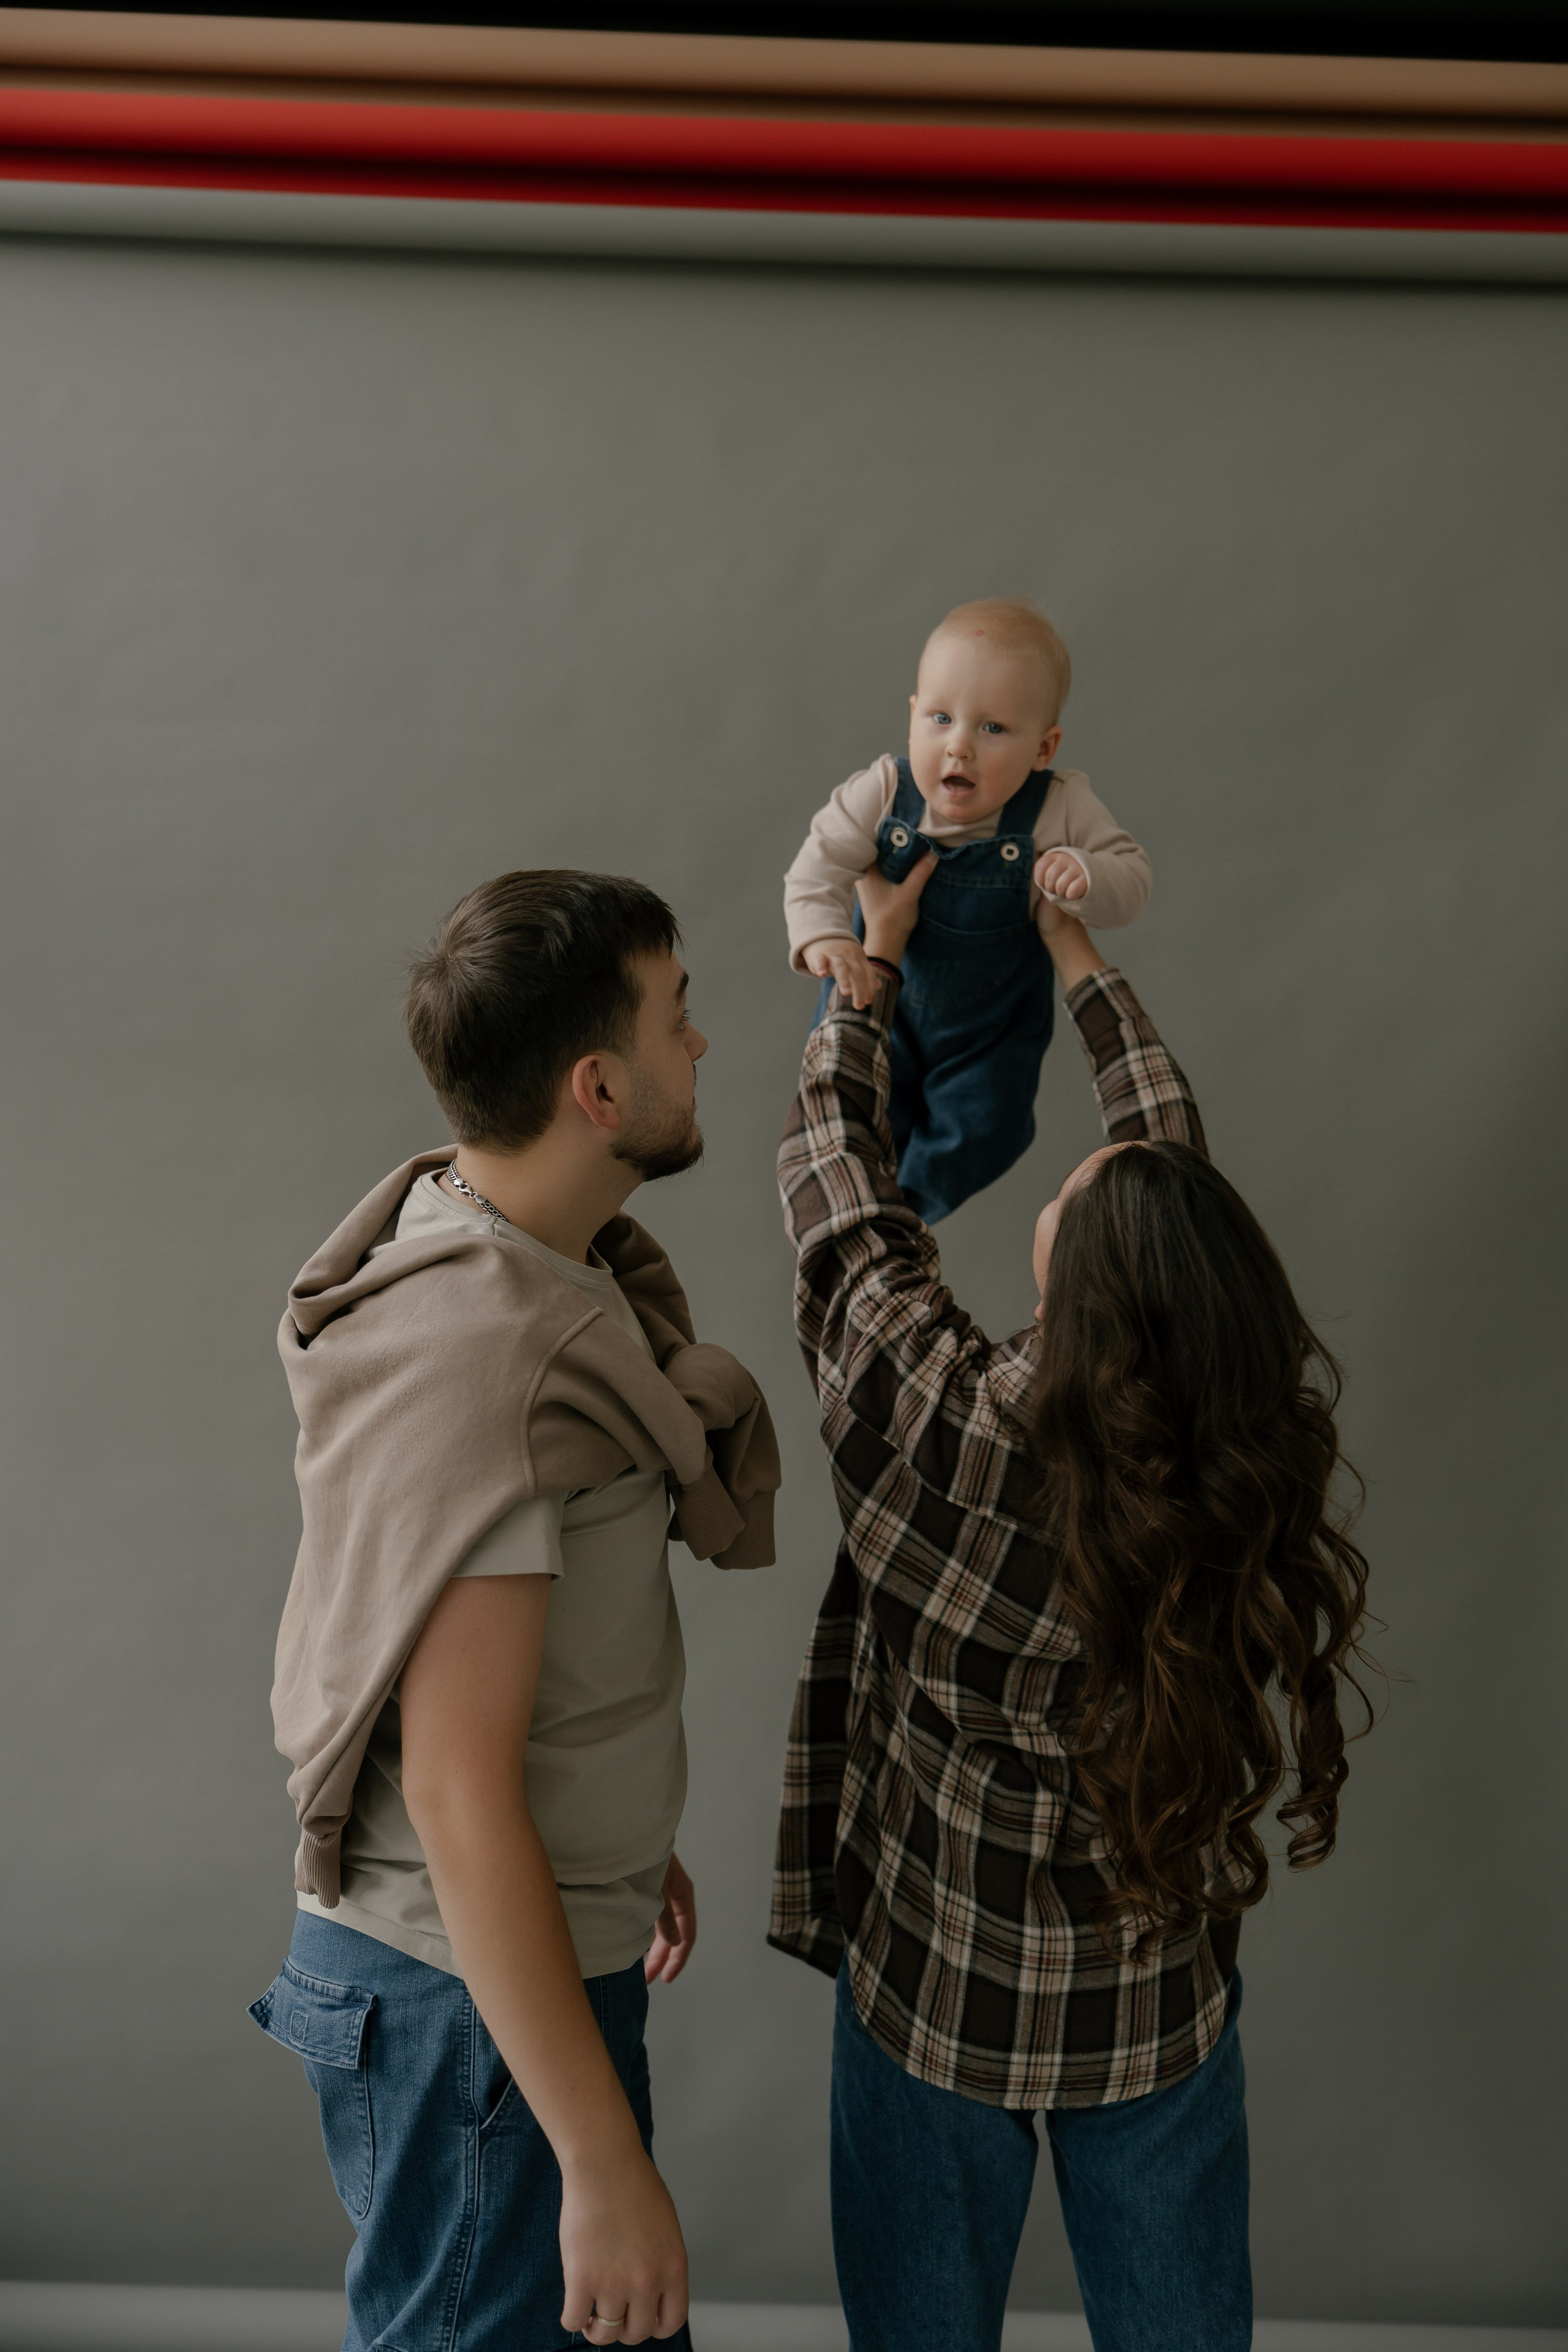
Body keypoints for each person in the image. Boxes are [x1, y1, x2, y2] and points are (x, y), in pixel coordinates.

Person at [770, 857, 1371, 2352]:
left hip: (931, 1983)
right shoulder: (1226, 1444)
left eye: (1073, 1188)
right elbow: (1162, 1174)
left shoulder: (941, 1425)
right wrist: (1073, 951)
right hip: (1150, 1998)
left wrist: (864, 985)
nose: (1085, 1169)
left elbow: (836, 1203)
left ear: (1081, 1284)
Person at [250, 870, 780, 2352]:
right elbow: (456, 1787)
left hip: (498, 1972)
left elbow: (496, 1686)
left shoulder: (516, 1257)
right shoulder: (496, 1351)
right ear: (597, 1088)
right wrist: (601, 2165)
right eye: (676, 1017)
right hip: (463, 2005)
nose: (700, 1043)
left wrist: (609, 1835)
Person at [782, 597, 1150, 1222]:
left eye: (993, 729)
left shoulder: (1059, 806)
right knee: (851, 1113)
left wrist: (1086, 875)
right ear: (912, 717)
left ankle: (908, 1214)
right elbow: (815, 867)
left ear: (1044, 747)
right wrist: (825, 937)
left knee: (988, 1128)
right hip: (884, 1008)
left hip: (992, 1033)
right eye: (941, 718)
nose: (959, 747)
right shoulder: (884, 791)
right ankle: (861, 1210)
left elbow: (1133, 880)